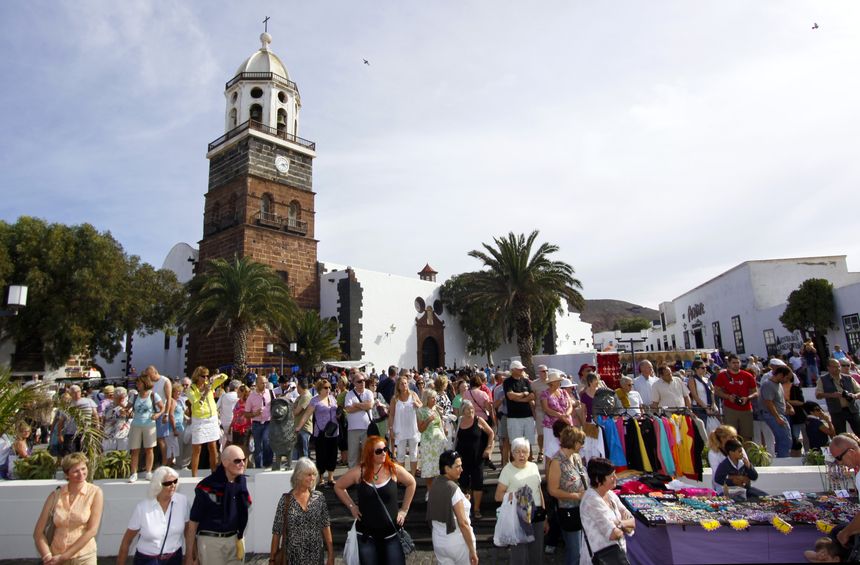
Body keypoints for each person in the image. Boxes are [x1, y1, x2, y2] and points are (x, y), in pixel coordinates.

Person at [333, 436, 417, 565]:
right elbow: (338, 486)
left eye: (385, 449)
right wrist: (351, 506)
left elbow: (411, 483)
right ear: (369, 454)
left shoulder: (393, 469)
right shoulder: (358, 472)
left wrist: (404, 510)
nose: (383, 453)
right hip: (367, 535)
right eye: (378, 451)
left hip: (391, 534)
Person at [33, 452, 105, 565]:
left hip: (84, 557)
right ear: (67, 474)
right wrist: (48, 557)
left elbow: (92, 530)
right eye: (76, 471)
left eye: (83, 468)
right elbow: (38, 533)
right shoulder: (55, 496)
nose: (81, 474)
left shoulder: (95, 493)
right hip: (56, 556)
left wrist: (64, 556)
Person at [188, 445, 252, 565]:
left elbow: (244, 509)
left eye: (244, 459)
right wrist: (189, 555)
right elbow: (193, 522)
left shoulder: (241, 482)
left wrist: (240, 537)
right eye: (237, 460)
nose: (242, 463)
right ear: (225, 462)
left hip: (235, 539)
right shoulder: (206, 486)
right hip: (211, 542)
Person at [116, 467, 190, 565]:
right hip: (147, 560)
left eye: (175, 481)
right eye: (168, 483)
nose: (173, 485)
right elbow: (127, 540)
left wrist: (191, 556)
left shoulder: (183, 502)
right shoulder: (143, 508)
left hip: (174, 559)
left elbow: (189, 532)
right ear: (158, 485)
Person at [269, 457, 334, 565]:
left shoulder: (319, 498)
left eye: (314, 474)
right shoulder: (286, 500)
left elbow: (326, 526)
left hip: (316, 558)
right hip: (293, 558)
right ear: (298, 475)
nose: (312, 478)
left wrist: (331, 554)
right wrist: (272, 560)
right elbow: (276, 533)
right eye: (308, 474)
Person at [495, 437, 546, 565]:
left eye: (524, 451)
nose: (521, 455)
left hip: (537, 514)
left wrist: (545, 516)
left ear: (529, 453)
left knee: (537, 553)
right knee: (519, 555)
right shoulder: (507, 470)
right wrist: (514, 495)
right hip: (518, 515)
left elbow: (539, 491)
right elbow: (498, 496)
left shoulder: (534, 467)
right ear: (512, 453)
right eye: (517, 451)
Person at [427, 450, 479, 565]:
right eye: (458, 466)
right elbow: (463, 523)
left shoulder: (435, 483)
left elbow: (444, 502)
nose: (461, 469)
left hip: (439, 542)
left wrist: (463, 500)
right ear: (447, 468)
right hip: (457, 543)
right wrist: (472, 550)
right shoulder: (453, 489)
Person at [579, 457, 634, 565]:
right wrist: (624, 525)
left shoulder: (610, 494)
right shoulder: (591, 500)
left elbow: (632, 522)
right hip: (600, 558)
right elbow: (613, 534)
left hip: (616, 556)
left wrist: (619, 523)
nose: (616, 477)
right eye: (611, 476)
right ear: (598, 480)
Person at [547, 426, 587, 565]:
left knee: (582, 549)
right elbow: (552, 490)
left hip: (582, 509)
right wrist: (576, 496)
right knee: (574, 551)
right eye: (581, 442)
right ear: (574, 443)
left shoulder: (576, 457)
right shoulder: (557, 462)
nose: (582, 445)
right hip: (568, 511)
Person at [186, 367, 228, 477]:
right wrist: (206, 391)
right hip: (199, 420)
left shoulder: (210, 384)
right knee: (197, 448)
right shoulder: (191, 389)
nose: (205, 378)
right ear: (197, 376)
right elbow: (196, 403)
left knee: (213, 447)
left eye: (207, 376)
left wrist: (216, 376)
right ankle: (194, 476)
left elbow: (225, 377)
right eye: (203, 376)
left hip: (211, 418)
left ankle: (214, 474)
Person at [456, 400, 494, 519]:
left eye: (472, 409)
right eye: (468, 409)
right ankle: (465, 508)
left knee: (478, 483)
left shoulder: (479, 420)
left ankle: (476, 509)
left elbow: (491, 433)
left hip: (477, 457)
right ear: (463, 410)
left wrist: (488, 448)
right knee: (463, 483)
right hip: (462, 458)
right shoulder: (459, 421)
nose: (471, 411)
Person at [128, 375, 165, 482]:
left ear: (145, 383)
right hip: (136, 424)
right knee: (135, 450)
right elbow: (128, 407)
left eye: (139, 383)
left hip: (149, 424)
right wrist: (124, 410)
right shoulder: (134, 396)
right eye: (137, 383)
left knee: (149, 449)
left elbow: (162, 408)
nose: (137, 385)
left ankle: (148, 472)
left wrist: (158, 415)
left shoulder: (153, 395)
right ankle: (133, 473)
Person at [714, 354, 758, 442]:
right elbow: (716, 391)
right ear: (729, 363)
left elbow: (756, 392)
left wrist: (747, 398)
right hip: (730, 408)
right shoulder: (722, 375)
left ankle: (745, 454)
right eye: (733, 363)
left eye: (738, 362)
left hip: (746, 408)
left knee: (747, 436)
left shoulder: (747, 375)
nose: (736, 364)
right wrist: (728, 396)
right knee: (730, 435)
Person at [304, 379, 338, 487]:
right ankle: (321, 478)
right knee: (321, 455)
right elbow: (307, 415)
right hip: (321, 432)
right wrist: (298, 427)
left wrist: (339, 414)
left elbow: (336, 412)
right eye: (325, 387)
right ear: (319, 389)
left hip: (333, 431)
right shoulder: (315, 400)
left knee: (333, 454)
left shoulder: (332, 398)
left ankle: (331, 478)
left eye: (329, 387)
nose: (328, 389)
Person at [388, 375, 422, 475]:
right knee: (400, 455)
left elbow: (422, 406)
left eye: (405, 383)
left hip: (413, 430)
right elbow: (391, 415)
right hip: (400, 430)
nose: (404, 385)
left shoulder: (413, 395)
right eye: (402, 384)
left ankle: (412, 477)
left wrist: (418, 404)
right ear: (398, 386)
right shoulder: (395, 399)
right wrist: (391, 429)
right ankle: (402, 478)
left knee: (414, 454)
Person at [816, 358, 860, 435]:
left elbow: (859, 391)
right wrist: (832, 395)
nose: (838, 368)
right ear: (828, 368)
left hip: (852, 409)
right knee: (841, 434)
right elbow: (818, 395)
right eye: (835, 366)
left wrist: (854, 395)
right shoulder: (822, 379)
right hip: (836, 411)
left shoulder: (848, 378)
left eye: (838, 366)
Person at [417, 389, 448, 493]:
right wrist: (428, 420)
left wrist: (444, 432)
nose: (435, 400)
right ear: (427, 399)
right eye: (433, 397)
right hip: (428, 443)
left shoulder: (436, 409)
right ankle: (429, 491)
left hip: (438, 442)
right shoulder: (421, 411)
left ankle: (438, 491)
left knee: (439, 467)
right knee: (429, 467)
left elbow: (439, 424)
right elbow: (420, 429)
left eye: (435, 397)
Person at [143, 367, 173, 472]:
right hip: (150, 413)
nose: (149, 378)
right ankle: (151, 464)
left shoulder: (165, 381)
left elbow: (169, 398)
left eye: (150, 375)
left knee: (161, 439)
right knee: (150, 440)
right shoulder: (149, 382)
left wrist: (166, 414)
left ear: (155, 373)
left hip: (161, 412)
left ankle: (164, 462)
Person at [760, 365, 794, 457]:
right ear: (780, 375)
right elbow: (768, 402)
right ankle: (783, 460)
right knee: (784, 439)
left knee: (786, 439)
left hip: (779, 414)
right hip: (773, 415)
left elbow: (781, 399)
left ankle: (783, 457)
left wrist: (789, 406)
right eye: (786, 377)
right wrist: (777, 417)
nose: (787, 380)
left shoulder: (778, 385)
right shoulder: (768, 385)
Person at [503, 361, 536, 455]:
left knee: (528, 442)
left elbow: (532, 396)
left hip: (528, 416)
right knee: (515, 443)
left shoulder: (525, 381)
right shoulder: (507, 382)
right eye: (519, 369)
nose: (522, 370)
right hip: (514, 418)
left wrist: (520, 399)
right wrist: (524, 394)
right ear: (513, 370)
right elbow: (510, 396)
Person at [540, 370, 573, 461]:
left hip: (566, 424)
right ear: (552, 383)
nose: (559, 382)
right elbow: (546, 409)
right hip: (551, 426)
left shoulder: (564, 392)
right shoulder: (544, 394)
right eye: (558, 381)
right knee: (550, 451)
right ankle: (550, 470)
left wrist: (567, 414)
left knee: (567, 446)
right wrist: (560, 416)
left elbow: (570, 405)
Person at [345, 373, 375, 468]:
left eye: (363, 381)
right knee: (353, 456)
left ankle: (367, 477)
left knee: (368, 455)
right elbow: (348, 409)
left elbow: (370, 406)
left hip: (367, 428)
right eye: (359, 381)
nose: (362, 383)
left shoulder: (369, 393)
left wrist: (356, 404)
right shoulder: (349, 394)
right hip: (353, 429)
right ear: (354, 383)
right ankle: (353, 479)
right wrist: (363, 405)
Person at [245, 374, 273, 469]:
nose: (264, 385)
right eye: (262, 383)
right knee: (258, 446)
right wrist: (254, 414)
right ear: (256, 384)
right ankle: (258, 466)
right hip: (256, 423)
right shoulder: (251, 397)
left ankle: (267, 463)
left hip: (268, 422)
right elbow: (246, 413)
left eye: (265, 383)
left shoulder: (270, 393)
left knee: (266, 441)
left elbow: (276, 406)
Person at [531, 365, 551, 463]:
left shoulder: (552, 381)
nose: (545, 372)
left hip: (552, 411)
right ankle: (541, 451)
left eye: (546, 370)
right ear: (539, 373)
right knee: (541, 434)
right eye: (543, 371)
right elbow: (532, 398)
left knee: (552, 433)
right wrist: (533, 411)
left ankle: (551, 452)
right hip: (540, 410)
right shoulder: (534, 384)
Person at [292, 377, 313, 460]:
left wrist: (292, 410)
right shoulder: (300, 397)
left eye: (297, 387)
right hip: (297, 428)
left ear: (299, 387)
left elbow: (296, 411)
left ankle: (304, 471)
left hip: (304, 428)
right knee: (297, 453)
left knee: (304, 454)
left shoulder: (306, 397)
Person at [492, 370, 511, 466]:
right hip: (503, 417)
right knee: (504, 442)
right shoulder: (498, 390)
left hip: (514, 417)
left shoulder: (516, 388)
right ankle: (505, 464)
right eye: (504, 379)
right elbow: (495, 405)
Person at [230, 385, 252, 461]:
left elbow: (250, 415)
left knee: (244, 447)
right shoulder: (238, 402)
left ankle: (245, 462)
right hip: (236, 427)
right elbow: (234, 415)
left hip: (245, 428)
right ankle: (239, 462)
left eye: (239, 392)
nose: (237, 393)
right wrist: (231, 425)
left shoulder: (248, 402)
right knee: (236, 446)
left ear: (243, 393)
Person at [216, 380, 240, 444]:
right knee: (233, 444)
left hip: (223, 423)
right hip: (235, 423)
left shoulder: (223, 396)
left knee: (225, 443)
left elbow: (216, 408)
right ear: (236, 388)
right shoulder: (239, 397)